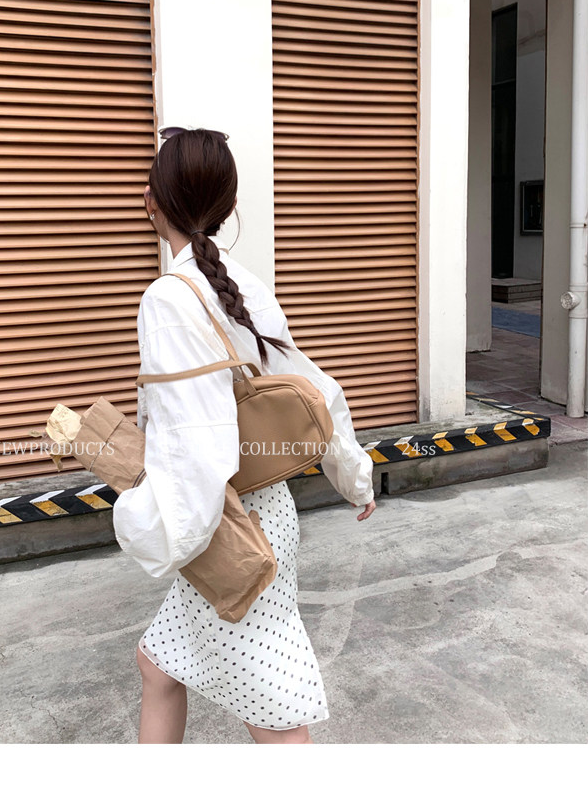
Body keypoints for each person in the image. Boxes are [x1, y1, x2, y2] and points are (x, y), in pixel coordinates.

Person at [113, 126, 376, 744]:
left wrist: (159, 533)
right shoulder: (244, 284)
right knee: (157, 665)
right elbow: (312, 389)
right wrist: (354, 477)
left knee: (279, 724)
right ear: (229, 206)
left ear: (151, 201)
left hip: (229, 529)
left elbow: (196, 443)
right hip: (264, 513)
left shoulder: (167, 299)